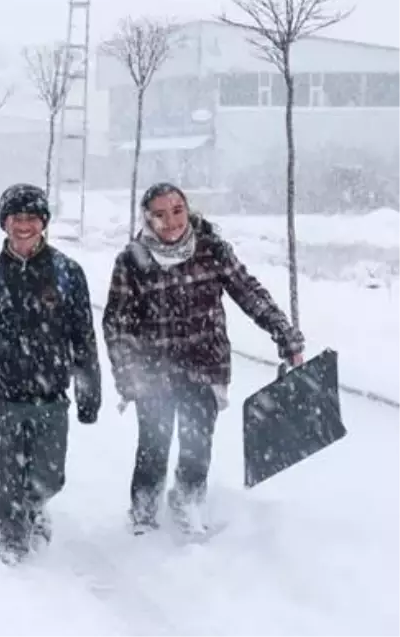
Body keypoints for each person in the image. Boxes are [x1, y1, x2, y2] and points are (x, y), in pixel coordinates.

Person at [102, 182, 304, 537]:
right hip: (154, 374)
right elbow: (117, 324)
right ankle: (144, 516)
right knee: (153, 446)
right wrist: (128, 375)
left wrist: (284, 333)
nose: (171, 221)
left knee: (197, 445)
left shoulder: (211, 250)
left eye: (177, 210)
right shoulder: (132, 261)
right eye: (160, 214)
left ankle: (188, 503)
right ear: (147, 219)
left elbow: (249, 292)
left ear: (188, 209)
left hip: (204, 366)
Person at [0, 183, 101, 565]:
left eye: (32, 218)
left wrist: (89, 391)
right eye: (16, 218)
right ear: (4, 223)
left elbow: (83, 337)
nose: (24, 225)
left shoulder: (68, 273)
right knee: (5, 475)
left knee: (50, 476)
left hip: (50, 396)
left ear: (44, 223)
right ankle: (12, 535)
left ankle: (34, 507)